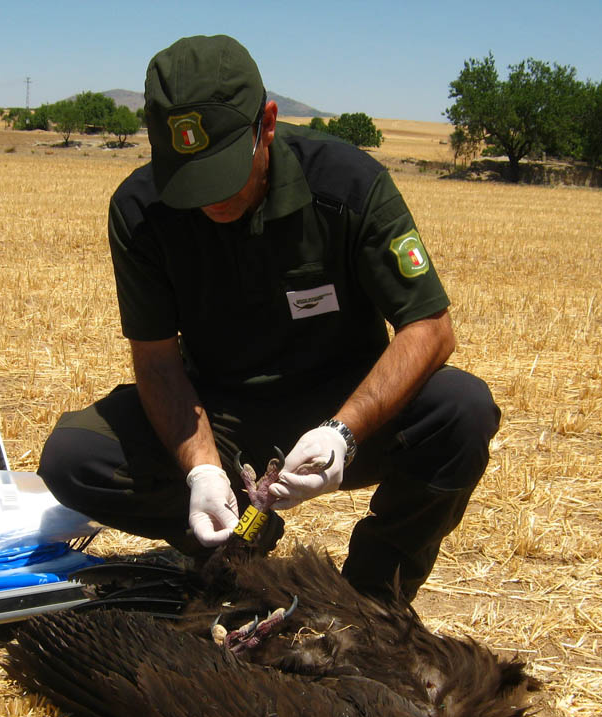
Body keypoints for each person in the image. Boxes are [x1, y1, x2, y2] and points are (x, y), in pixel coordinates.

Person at [38, 34, 500, 601]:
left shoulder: (349, 186)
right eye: (189, 179)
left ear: (269, 124)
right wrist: (202, 470)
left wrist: (343, 433)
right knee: (74, 457)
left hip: (344, 406)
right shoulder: (140, 212)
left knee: (462, 409)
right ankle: (236, 549)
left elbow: (430, 327)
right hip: (219, 414)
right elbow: (156, 362)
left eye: (225, 171)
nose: (211, 199)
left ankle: (370, 600)